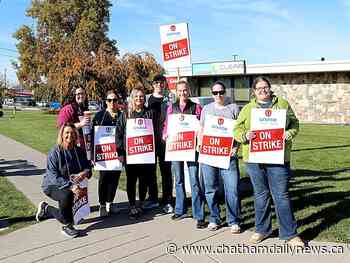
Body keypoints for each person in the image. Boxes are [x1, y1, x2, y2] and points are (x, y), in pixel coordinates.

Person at [234, 76, 304, 247]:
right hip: (254, 159)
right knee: (260, 195)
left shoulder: (283, 104)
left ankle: (290, 234)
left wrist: (290, 133)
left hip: (278, 157)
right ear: (254, 91)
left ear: (270, 88)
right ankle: (262, 230)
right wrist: (245, 136)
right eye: (259, 88)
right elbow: (236, 129)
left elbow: (295, 123)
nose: (263, 90)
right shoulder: (248, 108)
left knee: (281, 195)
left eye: (265, 87)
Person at [199, 81, 242, 233]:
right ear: (212, 94)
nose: (219, 95)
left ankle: (233, 220)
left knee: (232, 189)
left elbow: (239, 130)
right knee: (210, 189)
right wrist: (200, 144)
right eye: (215, 93)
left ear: (225, 92)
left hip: (228, 155)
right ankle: (214, 218)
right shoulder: (206, 109)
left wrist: (236, 148)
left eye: (221, 92)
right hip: (209, 155)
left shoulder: (233, 108)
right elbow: (202, 129)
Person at [36, 123, 92, 238]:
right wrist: (70, 186)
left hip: (72, 185)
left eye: (72, 133)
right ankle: (67, 226)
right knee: (67, 195)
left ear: (76, 135)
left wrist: (85, 172)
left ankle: (46, 208)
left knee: (68, 208)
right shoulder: (54, 152)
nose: (69, 135)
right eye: (67, 132)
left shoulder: (79, 151)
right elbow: (53, 176)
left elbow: (88, 167)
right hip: (52, 185)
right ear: (61, 135)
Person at [163, 80, 206, 229]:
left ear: (189, 91)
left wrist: (200, 139)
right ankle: (180, 210)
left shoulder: (196, 107)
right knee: (179, 180)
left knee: (194, 180)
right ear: (176, 92)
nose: (182, 93)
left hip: (191, 147)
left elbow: (201, 126)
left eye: (185, 90)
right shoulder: (171, 108)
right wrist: (165, 134)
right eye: (180, 91)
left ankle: (199, 214)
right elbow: (167, 125)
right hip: (176, 147)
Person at [115, 86, 156, 219]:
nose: (139, 98)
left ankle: (141, 204)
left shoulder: (149, 113)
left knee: (144, 180)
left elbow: (154, 132)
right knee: (131, 181)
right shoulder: (126, 114)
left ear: (144, 98)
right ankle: (132, 206)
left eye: (141, 96)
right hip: (130, 154)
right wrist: (120, 152)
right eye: (136, 96)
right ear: (132, 98)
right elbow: (119, 134)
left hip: (145, 153)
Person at [144, 74, 173, 213]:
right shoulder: (147, 99)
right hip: (150, 140)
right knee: (150, 171)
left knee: (166, 172)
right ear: (153, 84)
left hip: (165, 140)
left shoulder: (170, 99)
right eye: (156, 83)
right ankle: (153, 198)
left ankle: (167, 200)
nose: (159, 85)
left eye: (161, 82)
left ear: (165, 84)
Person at [92, 90, 123, 217]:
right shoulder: (99, 116)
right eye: (109, 100)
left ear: (118, 102)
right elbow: (93, 136)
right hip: (103, 154)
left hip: (118, 153)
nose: (112, 102)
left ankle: (110, 202)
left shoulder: (122, 115)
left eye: (114, 100)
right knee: (104, 179)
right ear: (106, 102)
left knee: (115, 179)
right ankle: (102, 205)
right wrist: (93, 155)